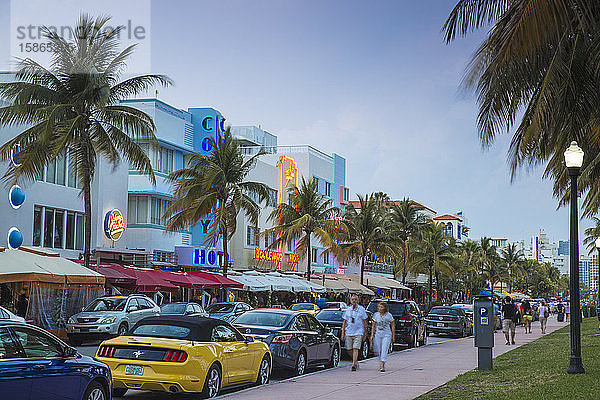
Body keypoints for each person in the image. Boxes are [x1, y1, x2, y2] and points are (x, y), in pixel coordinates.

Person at [341, 294, 368, 371]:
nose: (354, 301)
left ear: (358, 300)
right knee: (349, 349)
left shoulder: (361, 309)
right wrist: (343, 333)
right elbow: (344, 322)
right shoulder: (348, 309)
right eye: (353, 299)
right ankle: (355, 360)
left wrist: (365, 333)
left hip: (358, 332)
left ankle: (353, 365)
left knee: (355, 348)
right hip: (349, 332)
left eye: (355, 299)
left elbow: (364, 322)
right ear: (350, 300)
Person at [370, 301, 395, 372]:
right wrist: (372, 334)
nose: (379, 308)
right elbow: (374, 325)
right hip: (378, 334)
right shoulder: (376, 315)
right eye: (379, 307)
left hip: (386, 334)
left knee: (384, 349)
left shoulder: (388, 315)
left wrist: (393, 335)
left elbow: (392, 325)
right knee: (378, 349)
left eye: (381, 307)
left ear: (385, 308)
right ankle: (381, 361)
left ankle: (383, 365)